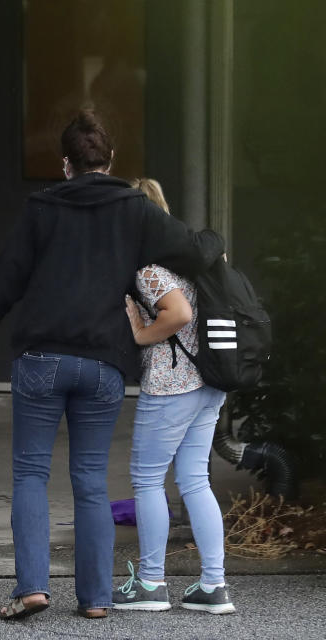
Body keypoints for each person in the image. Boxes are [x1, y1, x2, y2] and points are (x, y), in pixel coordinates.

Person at [0, 110, 224, 620]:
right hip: (103, 364)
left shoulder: (41, 208)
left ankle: (32, 589)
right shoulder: (134, 208)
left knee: (30, 472)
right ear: (109, 161)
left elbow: (6, 281)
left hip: (41, 358)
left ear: (65, 164)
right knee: (90, 478)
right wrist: (216, 240)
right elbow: (193, 251)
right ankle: (94, 599)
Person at [112, 179, 235, 614]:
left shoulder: (149, 269)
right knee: (195, 479)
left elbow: (178, 313)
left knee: (147, 480)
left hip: (171, 385)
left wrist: (143, 333)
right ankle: (213, 586)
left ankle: (149, 584)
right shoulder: (192, 263)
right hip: (208, 385)